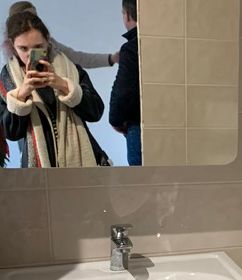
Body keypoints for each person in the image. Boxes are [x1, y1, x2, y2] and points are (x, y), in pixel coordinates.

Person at [0, 12, 105, 168]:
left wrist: (63, 85)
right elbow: (11, 133)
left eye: (38, 47)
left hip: (81, 167)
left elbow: (95, 112)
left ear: (47, 41)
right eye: (23, 48)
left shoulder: (71, 69)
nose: (30, 55)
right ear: (13, 46)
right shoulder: (8, 78)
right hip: (38, 170)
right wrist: (22, 95)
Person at [5, 2, 119, 69]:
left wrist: (110, 59)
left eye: (34, 18)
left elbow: (78, 58)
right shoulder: (9, 70)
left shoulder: (50, 44)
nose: (30, 22)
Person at [109, 0, 140, 166]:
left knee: (143, 178)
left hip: (138, 127)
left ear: (127, 15)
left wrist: (115, 120)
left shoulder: (131, 48)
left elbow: (123, 91)